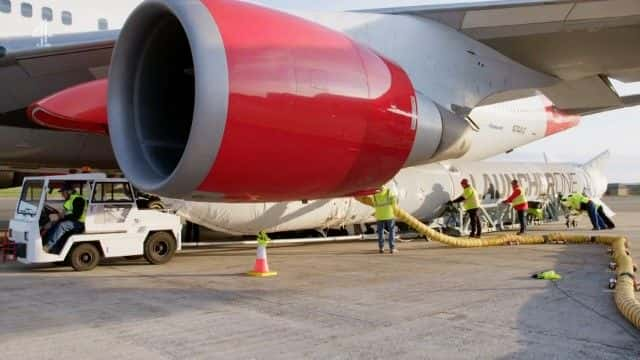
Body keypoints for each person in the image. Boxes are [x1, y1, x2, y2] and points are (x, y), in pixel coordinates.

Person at [44, 183, 87, 252]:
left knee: (62, 226)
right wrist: (54, 221)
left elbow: (77, 215)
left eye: (63, 192)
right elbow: (65, 213)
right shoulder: (69, 200)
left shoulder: (78, 199)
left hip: (79, 223)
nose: (62, 194)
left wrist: (63, 216)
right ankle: (54, 248)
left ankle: (48, 246)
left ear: (69, 191)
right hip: (72, 221)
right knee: (54, 224)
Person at [371, 185, 397, 254]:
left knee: (380, 232)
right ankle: (392, 248)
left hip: (379, 215)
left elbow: (374, 203)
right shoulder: (388, 192)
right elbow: (394, 202)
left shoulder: (374, 194)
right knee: (391, 231)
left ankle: (381, 248)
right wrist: (395, 210)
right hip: (389, 215)